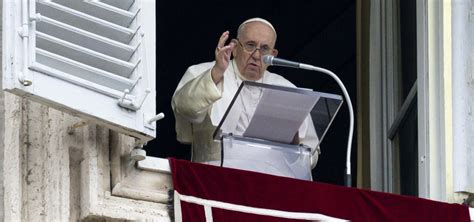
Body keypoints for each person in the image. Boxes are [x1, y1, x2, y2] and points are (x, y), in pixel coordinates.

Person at [172, 18, 320, 171]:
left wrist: (293, 145)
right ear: (235, 47)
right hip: (213, 179)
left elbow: (311, 157)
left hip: (270, 184)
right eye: (250, 45)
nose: (256, 55)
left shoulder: (286, 89)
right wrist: (216, 73)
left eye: (264, 49)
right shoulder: (203, 72)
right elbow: (185, 109)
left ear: (273, 55)